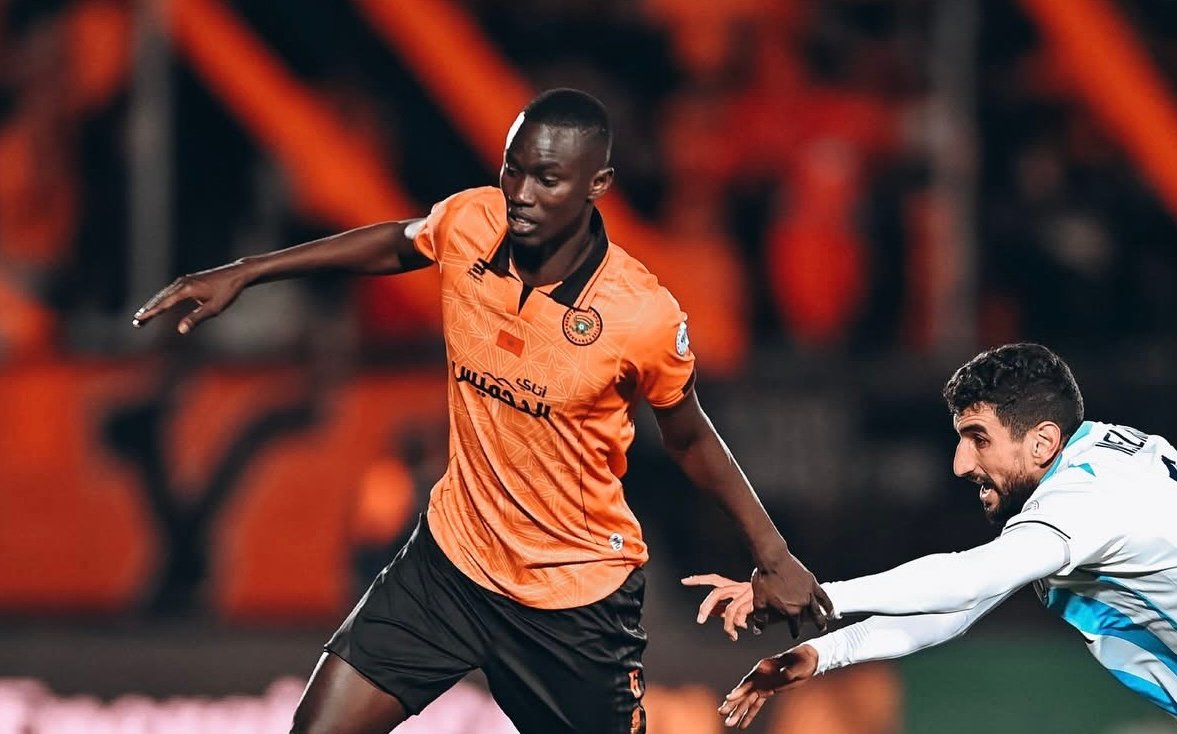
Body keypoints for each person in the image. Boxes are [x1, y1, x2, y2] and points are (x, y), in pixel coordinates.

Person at [132, 88, 830, 734]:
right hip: (448, 567)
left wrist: (772, 554)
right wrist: (249, 272)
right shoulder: (472, 222)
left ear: (598, 186)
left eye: (546, 179)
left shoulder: (640, 315)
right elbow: (400, 240)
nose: (520, 194)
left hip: (572, 602)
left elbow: (690, 438)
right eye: (512, 169)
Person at [685, 343, 1177, 728]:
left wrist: (815, 595)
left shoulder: (1084, 498)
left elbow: (967, 582)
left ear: (1043, 441)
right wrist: (822, 653)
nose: (961, 464)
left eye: (979, 438)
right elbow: (959, 606)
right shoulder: (1100, 460)